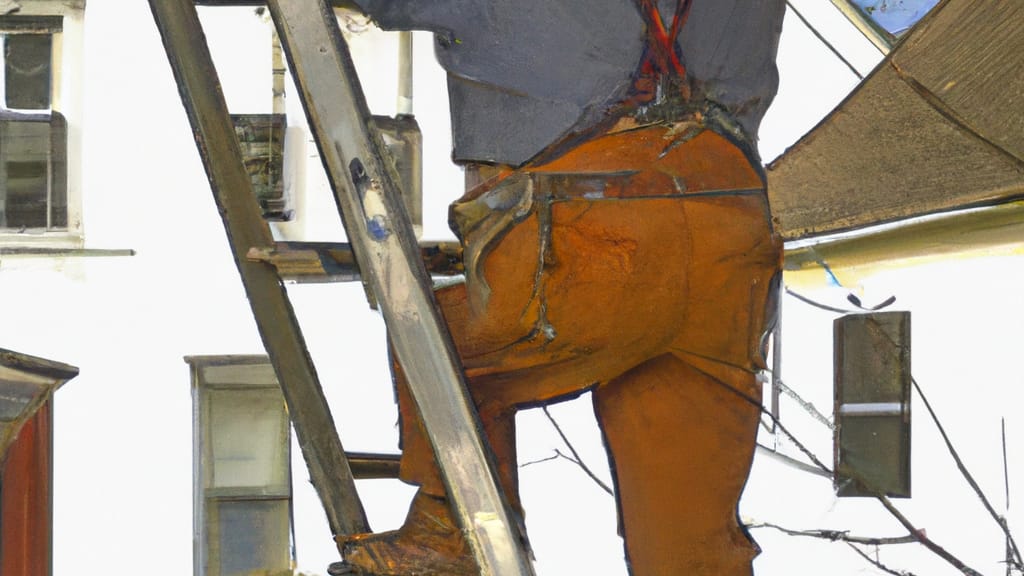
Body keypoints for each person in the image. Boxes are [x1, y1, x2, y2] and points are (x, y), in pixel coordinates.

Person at [336, 1, 786, 574]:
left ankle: (452, 533)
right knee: (690, 539)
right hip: (730, 234)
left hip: (592, 224)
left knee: (439, 341)